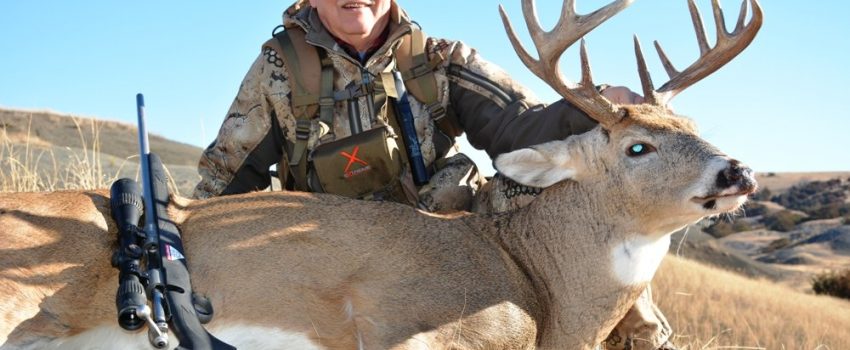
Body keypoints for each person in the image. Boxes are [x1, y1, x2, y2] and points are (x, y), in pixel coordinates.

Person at [193, 0, 673, 348]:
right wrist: (186, 242)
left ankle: (640, 339)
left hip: (445, 243)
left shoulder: (439, 60)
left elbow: (520, 127)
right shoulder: (279, 69)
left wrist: (589, 112)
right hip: (332, 248)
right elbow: (230, 173)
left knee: (583, 193)